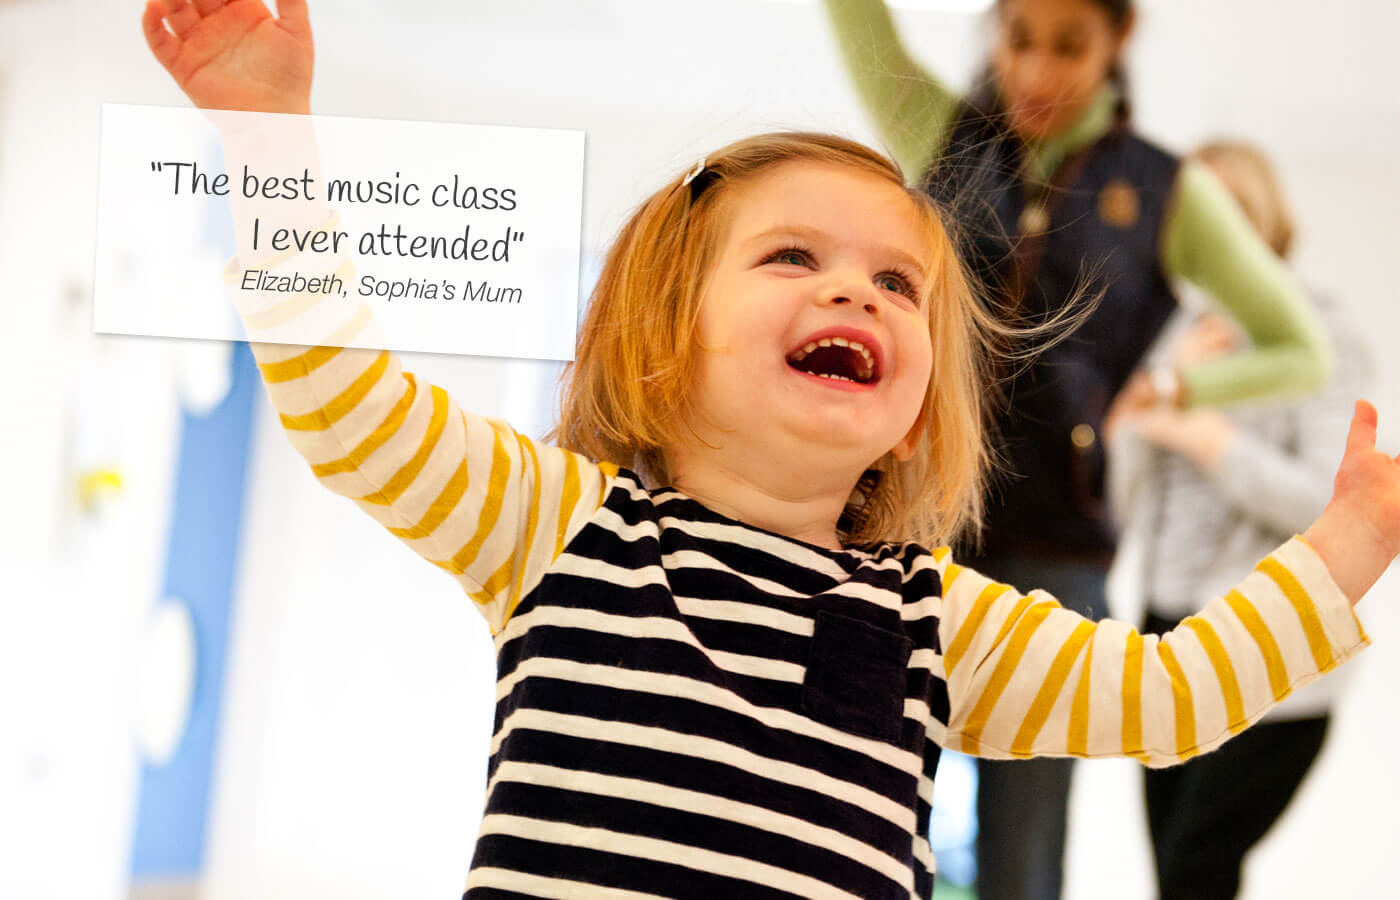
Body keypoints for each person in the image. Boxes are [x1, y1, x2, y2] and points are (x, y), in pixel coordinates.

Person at [141, 2, 1397, 898]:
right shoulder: (558, 528)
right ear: (661, 336)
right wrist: (266, 136)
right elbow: (348, 408)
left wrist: (1346, 542)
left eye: (899, 284)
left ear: (918, 400)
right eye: (792, 256)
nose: (856, 294)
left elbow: (1159, 699)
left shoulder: (929, 614)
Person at [821, 2, 1334, 897]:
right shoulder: (941, 135)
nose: (1037, 73)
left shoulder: (1167, 190)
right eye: (1019, 40)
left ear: (1117, 43)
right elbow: (859, 22)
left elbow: (1303, 348)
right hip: (912, 527)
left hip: (1061, 556)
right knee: (865, 817)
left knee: (1024, 853)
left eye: (1069, 47)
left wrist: (1176, 390)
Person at [1107, 141, 1373, 900]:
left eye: (1224, 211)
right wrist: (1146, 403)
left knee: (1197, 867)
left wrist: (1204, 432)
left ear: (1264, 218)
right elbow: (1118, 498)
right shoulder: (1171, 334)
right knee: (1177, 874)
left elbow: (1329, 501)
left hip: (1272, 650)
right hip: (1165, 635)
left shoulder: (1320, 335)